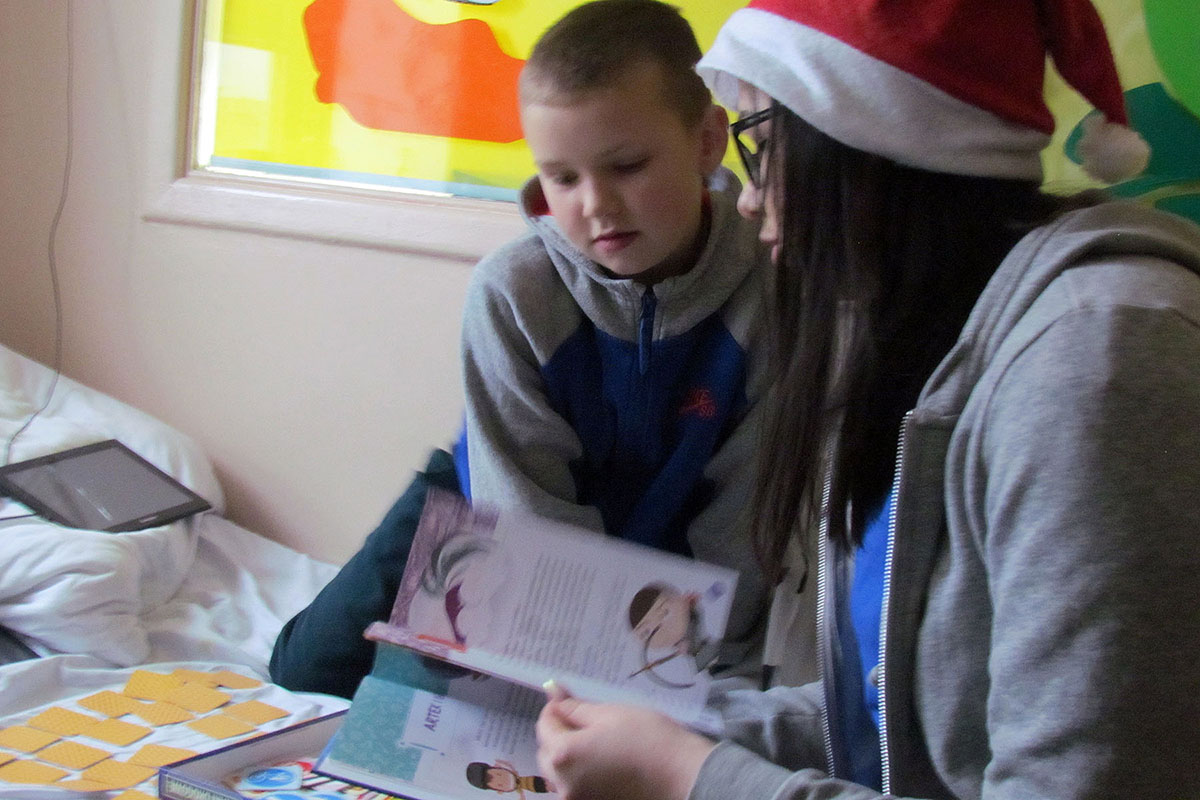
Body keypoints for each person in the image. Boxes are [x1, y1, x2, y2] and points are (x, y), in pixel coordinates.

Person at [535, 1, 1200, 799]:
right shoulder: (938, 337)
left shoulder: (1095, 366)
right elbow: (902, 717)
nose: (748, 198)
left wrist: (686, 774)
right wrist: (683, 725)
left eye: (762, 146)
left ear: (871, 139)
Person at [271, 0, 787, 699]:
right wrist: (570, 660)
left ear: (707, 140)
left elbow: (746, 525)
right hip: (493, 502)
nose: (596, 205)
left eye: (628, 166)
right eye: (563, 179)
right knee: (305, 672)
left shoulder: (772, 290)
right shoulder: (512, 292)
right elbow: (526, 527)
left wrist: (680, 666)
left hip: (674, 536)